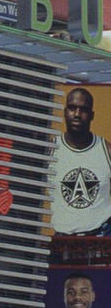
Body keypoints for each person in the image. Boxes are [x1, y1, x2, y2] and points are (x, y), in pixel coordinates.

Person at [49, 86, 111, 236]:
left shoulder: (107, 151)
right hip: (61, 240)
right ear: (64, 112)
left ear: (92, 115)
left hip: (100, 238)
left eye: (83, 109)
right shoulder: (50, 150)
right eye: (72, 108)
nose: (77, 114)